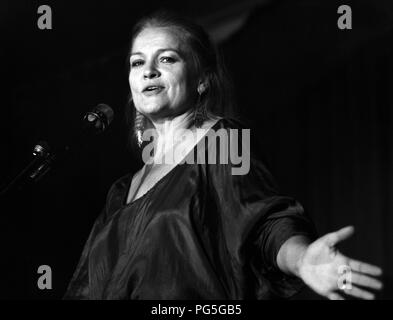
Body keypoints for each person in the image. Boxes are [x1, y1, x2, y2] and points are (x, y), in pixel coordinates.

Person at [63, 10, 383, 300]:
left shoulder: (223, 140)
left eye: (167, 59)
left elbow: (264, 223)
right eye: (137, 62)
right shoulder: (122, 192)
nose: (149, 71)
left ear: (201, 79)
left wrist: (302, 260)